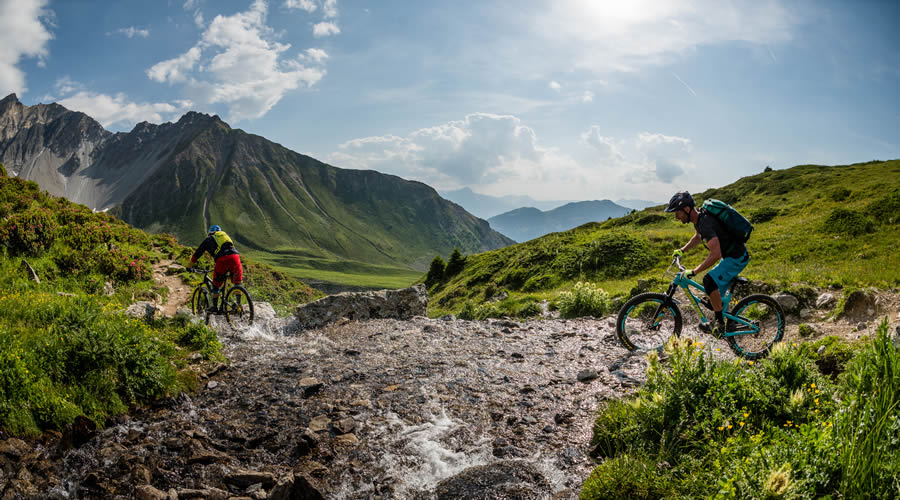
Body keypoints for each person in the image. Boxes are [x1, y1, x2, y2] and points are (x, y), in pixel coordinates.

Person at [664, 191, 750, 335]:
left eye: (677, 212)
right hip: (731, 256)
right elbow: (698, 237)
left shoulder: (705, 222)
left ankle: (719, 324)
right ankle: (727, 317)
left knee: (708, 280)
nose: (676, 217)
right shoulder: (699, 220)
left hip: (736, 257)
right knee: (712, 299)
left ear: (686, 209)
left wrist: (694, 271)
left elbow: (716, 254)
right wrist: (682, 250)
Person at [190, 225, 243, 313]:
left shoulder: (209, 239)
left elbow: (198, 253)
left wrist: (189, 266)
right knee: (237, 283)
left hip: (222, 260)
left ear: (210, 233)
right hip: (235, 257)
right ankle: (238, 305)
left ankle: (215, 307)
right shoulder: (225, 237)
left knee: (216, 285)